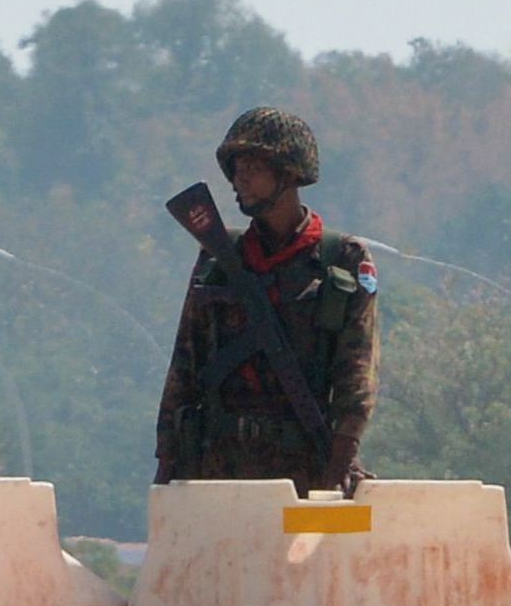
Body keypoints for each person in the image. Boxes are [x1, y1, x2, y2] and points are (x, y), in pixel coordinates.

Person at [154, 106, 380, 496]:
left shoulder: (342, 260)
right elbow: (184, 366)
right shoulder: (219, 257)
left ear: (289, 173)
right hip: (217, 464)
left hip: (303, 464)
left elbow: (356, 371)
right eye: (237, 170)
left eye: (253, 168)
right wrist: (167, 461)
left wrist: (340, 459)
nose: (241, 181)